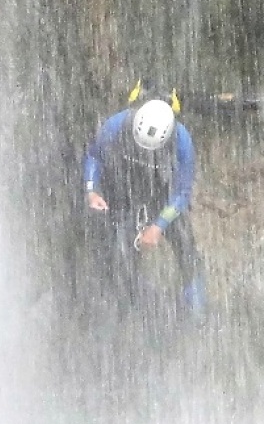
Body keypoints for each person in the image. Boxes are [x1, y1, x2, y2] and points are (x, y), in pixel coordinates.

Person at [83, 84, 205, 319]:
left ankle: (197, 315)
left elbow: (182, 193)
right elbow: (94, 156)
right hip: (125, 196)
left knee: (187, 250)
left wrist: (159, 226)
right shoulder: (116, 125)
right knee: (120, 256)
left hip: (163, 199)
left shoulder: (182, 142)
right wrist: (92, 190)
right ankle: (127, 312)